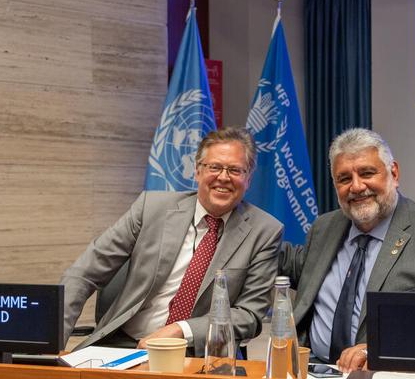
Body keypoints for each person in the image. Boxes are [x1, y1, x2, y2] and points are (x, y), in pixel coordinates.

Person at [61, 127, 283, 356]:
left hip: (198, 354)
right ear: (197, 171)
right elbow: (84, 273)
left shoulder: (264, 231)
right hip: (123, 345)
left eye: (235, 170)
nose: (223, 177)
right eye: (214, 167)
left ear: (248, 179)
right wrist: (52, 339)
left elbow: (248, 315)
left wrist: (180, 330)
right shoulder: (151, 208)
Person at [279, 128, 415, 372]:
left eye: (367, 173)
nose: (356, 187)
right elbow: (280, 258)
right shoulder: (324, 228)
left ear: (394, 173)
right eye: (344, 179)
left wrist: (376, 349)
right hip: (311, 374)